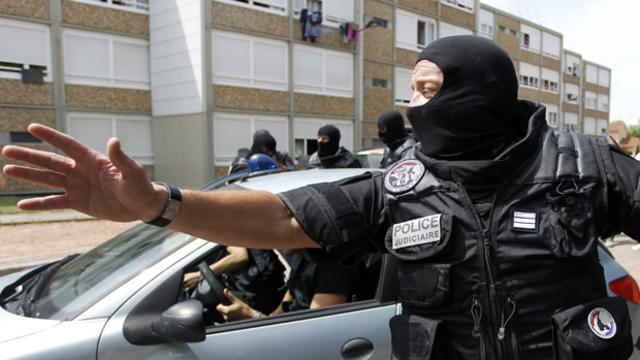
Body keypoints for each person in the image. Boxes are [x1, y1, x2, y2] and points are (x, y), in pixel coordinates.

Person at [3, 35, 640, 359]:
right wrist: (161, 206)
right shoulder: (398, 187)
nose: (412, 103)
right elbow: (283, 216)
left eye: (426, 86)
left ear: (478, 92)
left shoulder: (584, 166)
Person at [215, 249, 360, 322]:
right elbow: (286, 303)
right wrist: (260, 320)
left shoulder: (334, 268)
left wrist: (250, 315)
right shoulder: (302, 257)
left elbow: (314, 329)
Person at [183, 246, 286, 316]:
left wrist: (199, 276)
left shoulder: (220, 223)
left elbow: (240, 257)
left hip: (263, 292)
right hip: (256, 293)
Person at [229, 130, 295, 174]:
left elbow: (293, 173)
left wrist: (277, 165)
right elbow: (238, 176)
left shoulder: (281, 156)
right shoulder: (244, 158)